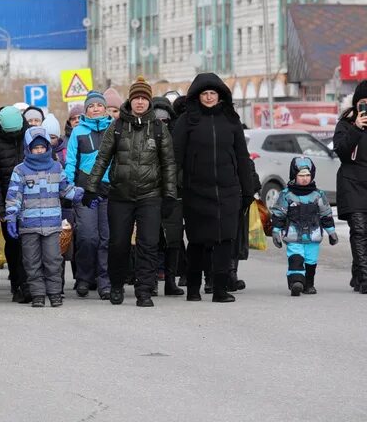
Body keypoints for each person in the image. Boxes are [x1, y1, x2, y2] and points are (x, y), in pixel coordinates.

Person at [82, 76, 177, 307]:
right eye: (137, 98)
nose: (140, 102)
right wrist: (91, 187)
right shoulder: (117, 126)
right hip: (120, 196)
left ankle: (144, 290)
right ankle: (116, 286)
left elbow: (168, 163)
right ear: (131, 100)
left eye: (144, 98)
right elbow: (103, 158)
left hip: (150, 196)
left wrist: (170, 195)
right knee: (118, 243)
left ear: (149, 102)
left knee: (148, 244)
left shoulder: (158, 127)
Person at [171, 73, 258, 303]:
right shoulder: (187, 120)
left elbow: (242, 156)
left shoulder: (231, 120)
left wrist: (247, 190)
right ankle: (193, 288)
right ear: (197, 96)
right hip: (195, 190)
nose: (209, 97)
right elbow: (175, 158)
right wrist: (174, 187)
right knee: (198, 241)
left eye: (213, 93)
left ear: (220, 95)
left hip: (228, 190)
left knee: (225, 240)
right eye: (204, 93)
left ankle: (220, 290)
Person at [4, 126, 82, 308]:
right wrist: (11, 217)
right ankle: (38, 293)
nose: (39, 151)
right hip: (28, 224)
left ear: (48, 147)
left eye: (42, 147)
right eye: (35, 147)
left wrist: (82, 194)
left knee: (53, 260)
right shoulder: (20, 170)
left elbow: (65, 189)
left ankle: (54, 292)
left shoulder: (56, 167)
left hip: (51, 224)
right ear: (28, 148)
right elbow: (14, 195)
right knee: (31, 261)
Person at [64, 90, 112, 299]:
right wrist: (69, 188)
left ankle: (105, 281)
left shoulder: (114, 128)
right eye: (91, 106)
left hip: (110, 191)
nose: (95, 109)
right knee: (87, 237)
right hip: (85, 193)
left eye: (98, 105)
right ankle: (84, 278)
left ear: (105, 108)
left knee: (106, 238)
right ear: (86, 110)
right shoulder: (78, 131)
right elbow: (71, 162)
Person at [270, 156, 338, 295]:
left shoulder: (318, 195)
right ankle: (296, 282)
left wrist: (331, 232)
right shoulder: (286, 195)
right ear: (294, 175)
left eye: (308, 175)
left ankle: (308, 284)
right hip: (294, 235)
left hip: (313, 235)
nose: (305, 178)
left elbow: (326, 214)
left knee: (311, 262)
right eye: (301, 175)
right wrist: (276, 231)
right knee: (296, 258)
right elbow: (279, 214)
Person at [0, 105, 29, 302]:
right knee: (14, 244)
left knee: (30, 244)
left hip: (33, 202)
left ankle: (30, 284)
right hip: (8, 204)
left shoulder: (31, 138)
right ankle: (18, 284)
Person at [333, 80, 367, 293]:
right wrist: (356, 128)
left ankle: (357, 274)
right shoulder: (345, 124)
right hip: (352, 183)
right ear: (356, 104)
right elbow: (342, 152)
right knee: (360, 231)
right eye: (363, 103)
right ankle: (364, 277)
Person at [151, 96, 185, 296]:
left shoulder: (177, 139)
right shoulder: (144, 137)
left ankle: (171, 280)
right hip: (151, 193)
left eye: (165, 121)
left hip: (174, 194)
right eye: (158, 121)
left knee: (174, 238)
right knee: (151, 239)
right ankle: (151, 280)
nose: (162, 124)